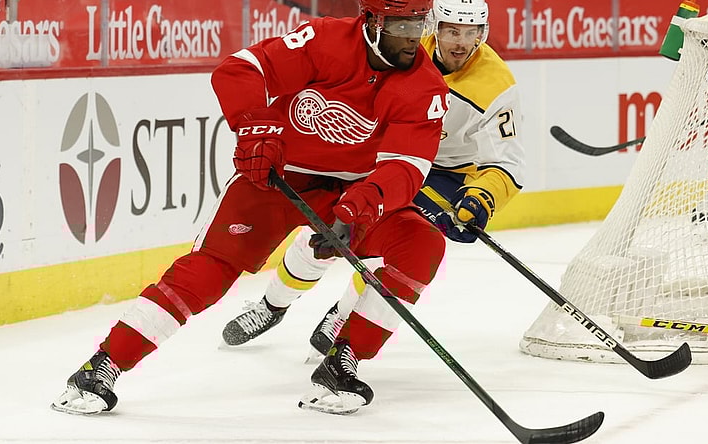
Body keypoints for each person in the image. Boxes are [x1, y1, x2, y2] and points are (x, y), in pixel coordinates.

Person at [51, 0, 449, 416]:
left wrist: (358, 209)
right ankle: (103, 365)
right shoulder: (326, 40)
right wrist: (257, 128)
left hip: (349, 192)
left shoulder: (424, 85)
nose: (413, 36)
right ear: (371, 22)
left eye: (420, 24)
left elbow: (406, 167)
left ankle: (341, 362)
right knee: (209, 271)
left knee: (421, 243)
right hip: (276, 179)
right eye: (402, 24)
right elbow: (241, 69)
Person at [221, 0, 526, 362]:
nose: (460, 43)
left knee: (397, 247)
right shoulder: (401, 45)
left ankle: (344, 313)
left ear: (483, 33)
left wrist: (481, 197)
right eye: (452, 31)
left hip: (444, 173)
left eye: (471, 33)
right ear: (435, 27)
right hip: (383, 159)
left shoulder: (496, 85)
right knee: (329, 230)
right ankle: (273, 305)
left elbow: (505, 162)